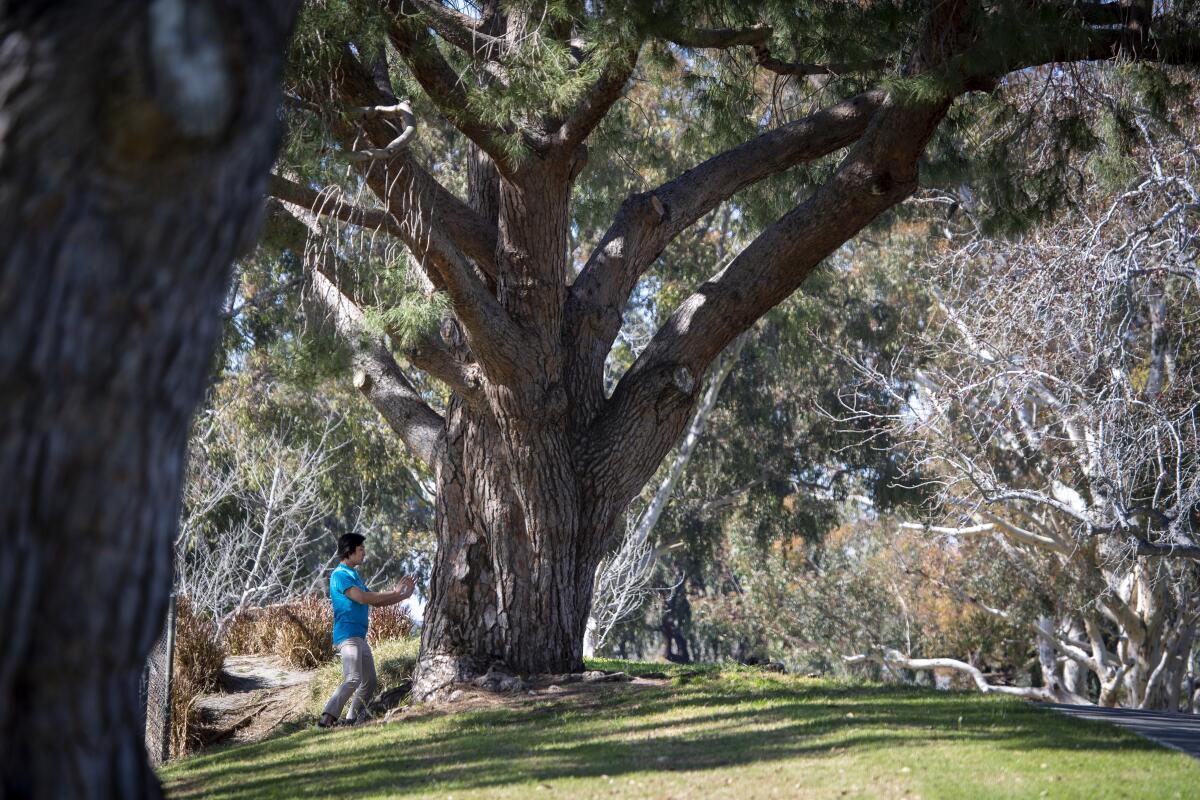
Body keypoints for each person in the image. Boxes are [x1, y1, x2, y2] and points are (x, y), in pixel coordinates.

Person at [318, 533, 415, 729]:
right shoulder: (340, 575)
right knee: (353, 678)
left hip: (359, 637)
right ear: (349, 551)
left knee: (369, 682)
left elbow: (375, 601)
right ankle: (325, 720)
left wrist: (403, 596)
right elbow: (361, 598)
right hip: (347, 637)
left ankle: (351, 720)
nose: (364, 553)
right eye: (361, 550)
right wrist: (395, 592)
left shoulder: (354, 575)